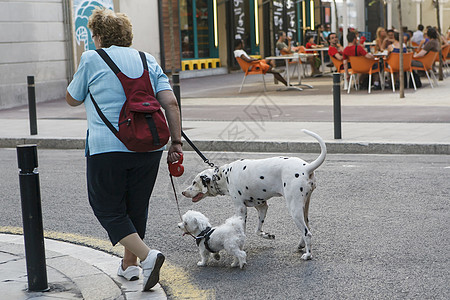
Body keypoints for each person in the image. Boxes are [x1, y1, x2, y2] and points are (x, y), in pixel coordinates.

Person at [65, 7, 183, 291]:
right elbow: (171, 103)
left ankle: (147, 256)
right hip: (149, 146)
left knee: (106, 208)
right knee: (136, 206)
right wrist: (176, 142)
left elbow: (72, 98)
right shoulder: (147, 59)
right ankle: (129, 267)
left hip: (107, 148)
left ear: (98, 36)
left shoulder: (91, 58)